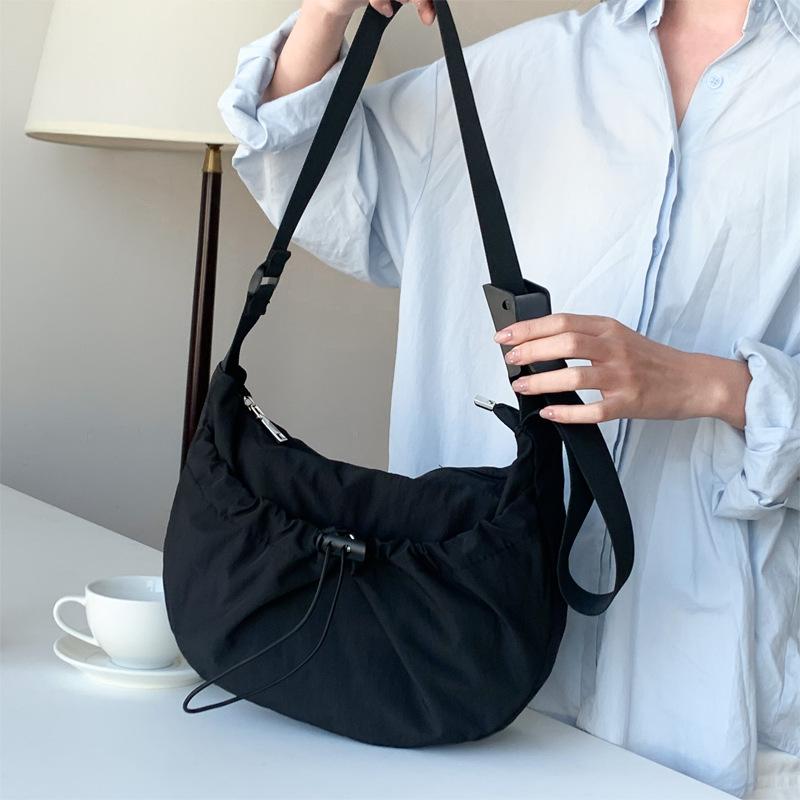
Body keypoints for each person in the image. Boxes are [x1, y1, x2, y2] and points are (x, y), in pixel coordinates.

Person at [217, 0, 800, 796]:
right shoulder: (512, 71)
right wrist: (328, 12)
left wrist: (714, 386)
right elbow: (310, 173)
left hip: (711, 691)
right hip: (457, 651)